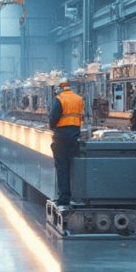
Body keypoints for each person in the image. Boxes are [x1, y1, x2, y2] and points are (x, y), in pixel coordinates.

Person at [48, 78, 83, 207]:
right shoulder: (78, 98)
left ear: (60, 87)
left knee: (62, 167)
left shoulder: (60, 99)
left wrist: (52, 127)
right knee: (73, 165)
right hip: (75, 136)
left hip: (61, 137)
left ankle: (64, 198)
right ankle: (77, 196)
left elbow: (53, 117)